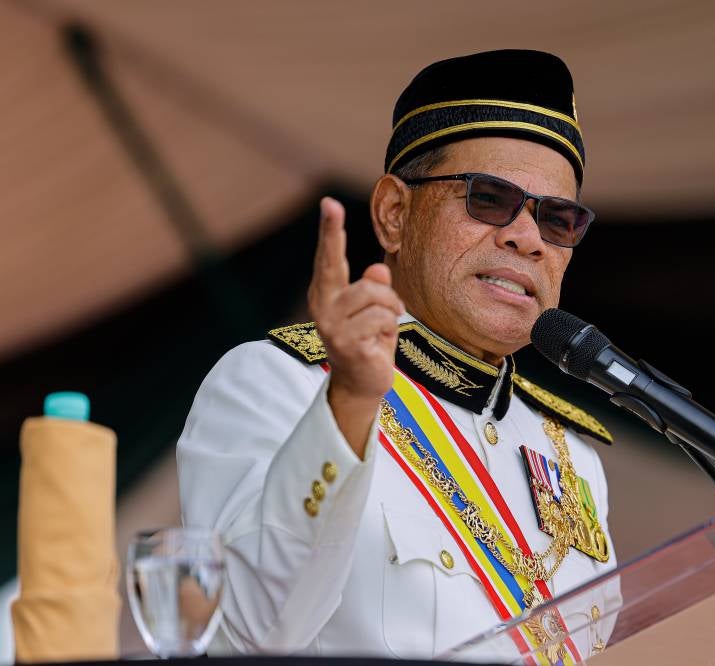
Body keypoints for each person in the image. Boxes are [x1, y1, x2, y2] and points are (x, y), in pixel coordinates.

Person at [178, 50, 619, 661]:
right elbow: (255, 630)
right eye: (490, 199)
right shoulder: (276, 382)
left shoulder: (573, 456)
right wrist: (351, 401)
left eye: (558, 219)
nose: (527, 238)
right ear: (394, 213)